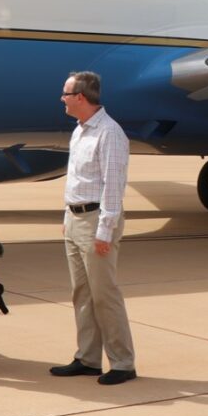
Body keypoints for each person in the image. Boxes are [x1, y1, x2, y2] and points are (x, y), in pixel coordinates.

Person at [49, 71, 138, 386]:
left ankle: (123, 362)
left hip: (96, 221)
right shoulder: (80, 131)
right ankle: (88, 359)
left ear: (81, 98)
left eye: (66, 93)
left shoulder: (109, 133)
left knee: (104, 294)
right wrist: (67, 216)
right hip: (75, 219)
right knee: (82, 294)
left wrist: (104, 231)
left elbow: (113, 186)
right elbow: (78, 179)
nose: (62, 98)